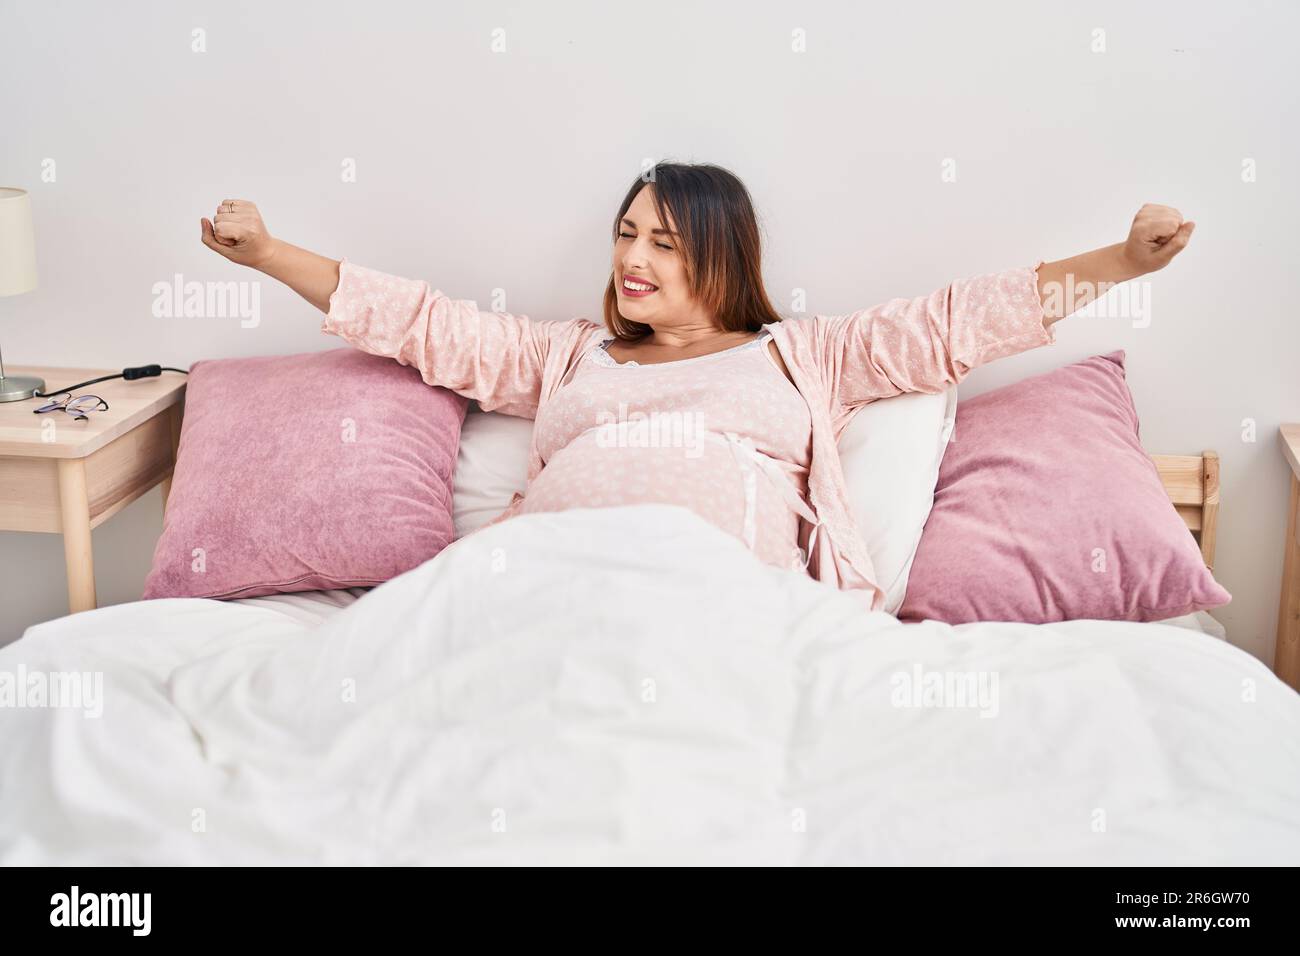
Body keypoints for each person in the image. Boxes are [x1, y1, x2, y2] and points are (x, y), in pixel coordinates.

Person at [199, 163, 1195, 610]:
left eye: (664, 241)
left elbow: (955, 322)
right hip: (536, 588)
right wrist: (267, 251)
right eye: (628, 232)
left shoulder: (803, 353)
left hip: (717, 603)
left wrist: (1121, 260)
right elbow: (422, 324)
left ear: (719, 257)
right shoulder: (562, 353)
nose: (634, 257)